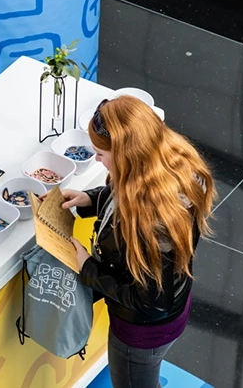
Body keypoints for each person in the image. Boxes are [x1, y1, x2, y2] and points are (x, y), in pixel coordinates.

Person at [48, 96, 215, 388]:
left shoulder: (151, 221)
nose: (97, 160)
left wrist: (88, 268)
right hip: (172, 308)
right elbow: (125, 198)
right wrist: (92, 199)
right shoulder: (170, 164)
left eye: (101, 154)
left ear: (127, 154)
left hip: (142, 331)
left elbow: (149, 302)